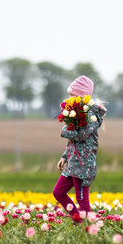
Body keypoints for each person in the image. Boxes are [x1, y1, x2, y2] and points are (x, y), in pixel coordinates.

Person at [52, 75, 107, 221]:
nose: (69, 98)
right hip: (73, 163)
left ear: (82, 96)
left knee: (82, 200)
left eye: (73, 95)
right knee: (58, 192)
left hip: (83, 166)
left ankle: (89, 230)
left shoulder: (90, 115)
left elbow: (82, 135)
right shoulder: (78, 112)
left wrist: (65, 130)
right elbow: (74, 141)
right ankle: (78, 220)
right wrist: (65, 156)